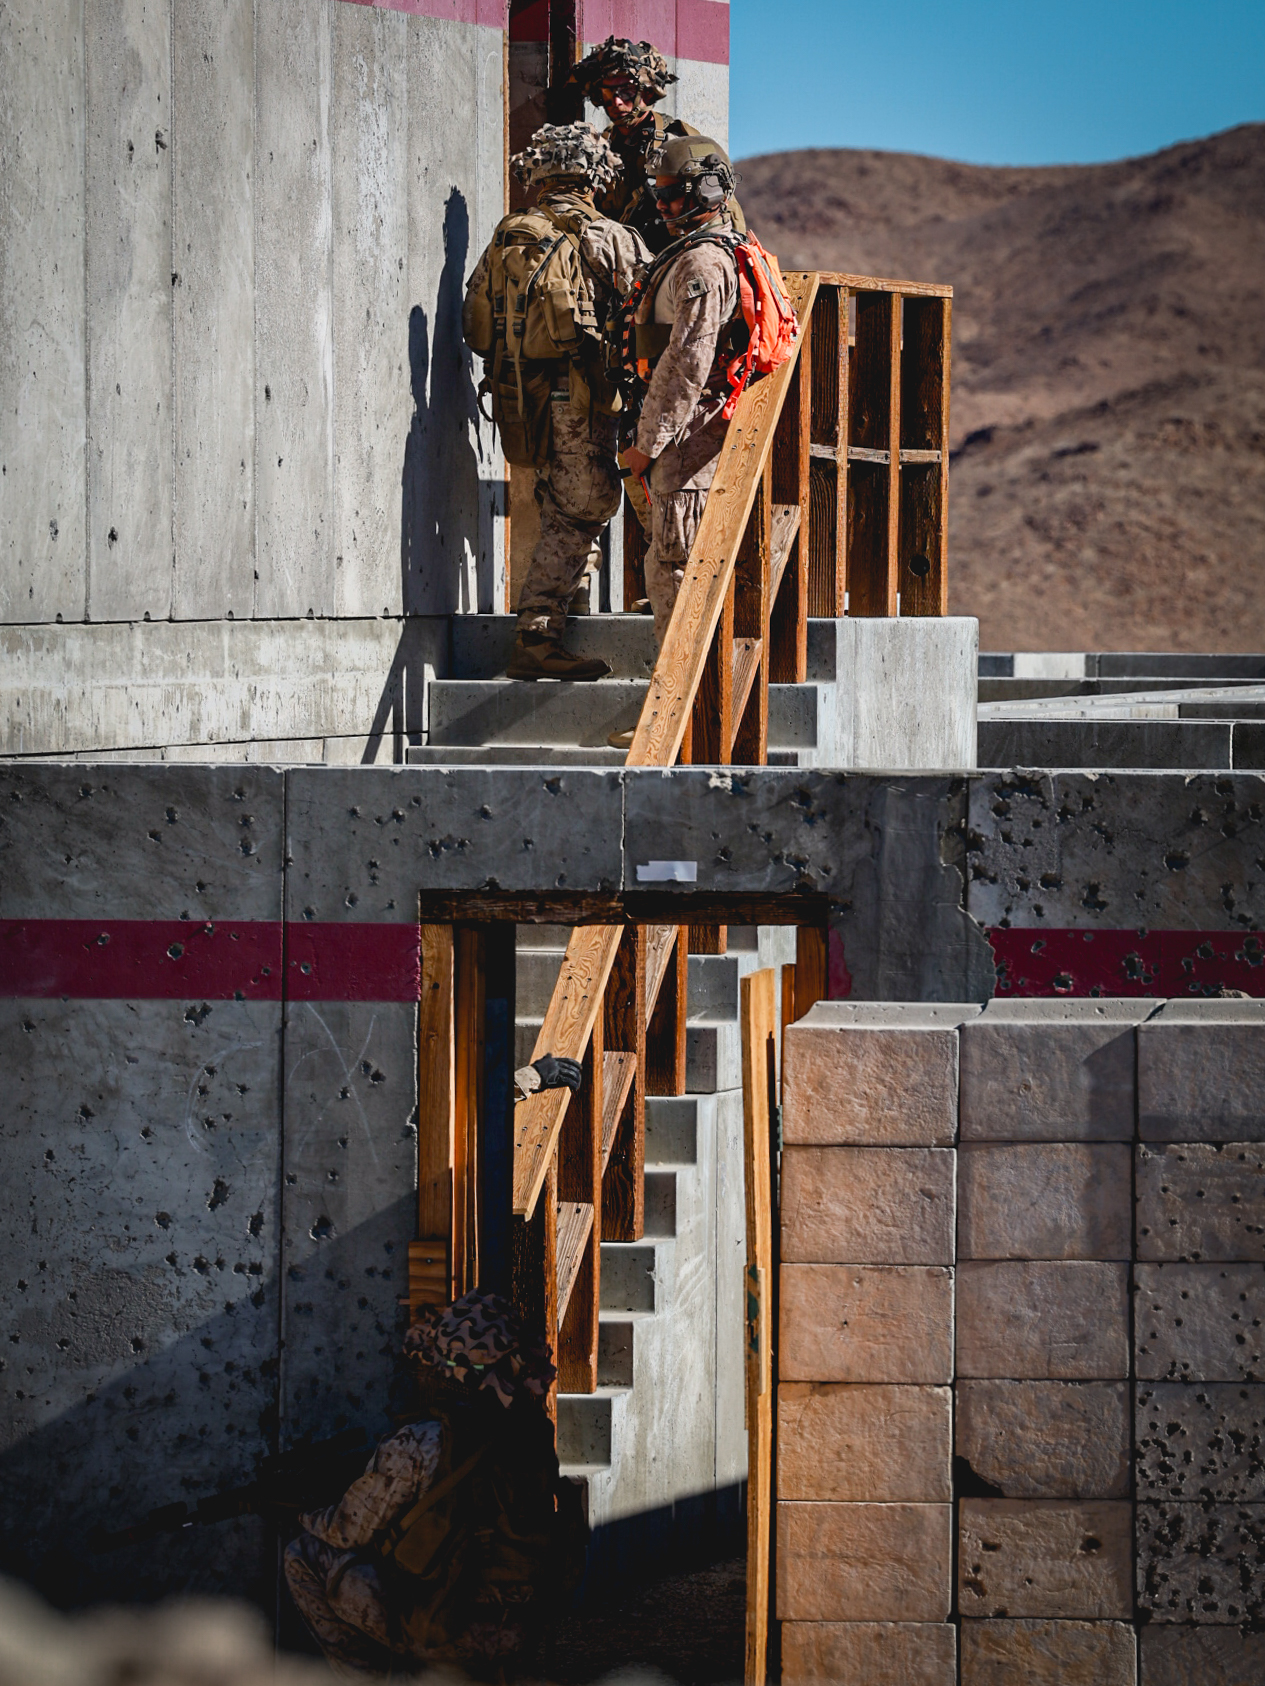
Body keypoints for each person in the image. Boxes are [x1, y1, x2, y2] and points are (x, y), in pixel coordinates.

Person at [284, 1291, 584, 1678]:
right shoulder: (532, 1434)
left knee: (304, 1554)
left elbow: (347, 1532)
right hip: (524, 1630)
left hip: (449, 1627)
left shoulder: (423, 1442)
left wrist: (302, 1510)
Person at [463, 122, 650, 681]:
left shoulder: (507, 237)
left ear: (539, 174)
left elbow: (477, 326)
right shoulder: (608, 236)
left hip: (521, 396)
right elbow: (651, 317)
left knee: (559, 500)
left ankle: (569, 610)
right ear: (594, 176)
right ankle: (538, 634)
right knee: (584, 506)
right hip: (581, 399)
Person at [619, 134, 745, 660]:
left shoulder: (703, 266)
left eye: (674, 194)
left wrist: (647, 445)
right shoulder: (700, 254)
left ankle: (681, 699)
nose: (663, 206)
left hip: (687, 443)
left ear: (707, 191)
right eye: (660, 193)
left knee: (675, 570)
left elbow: (686, 365)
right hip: (687, 436)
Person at [566, 37, 745, 256]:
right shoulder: (602, 146)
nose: (617, 102)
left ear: (648, 92)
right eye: (608, 93)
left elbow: (724, 209)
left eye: (626, 92)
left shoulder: (677, 143)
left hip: (669, 259)